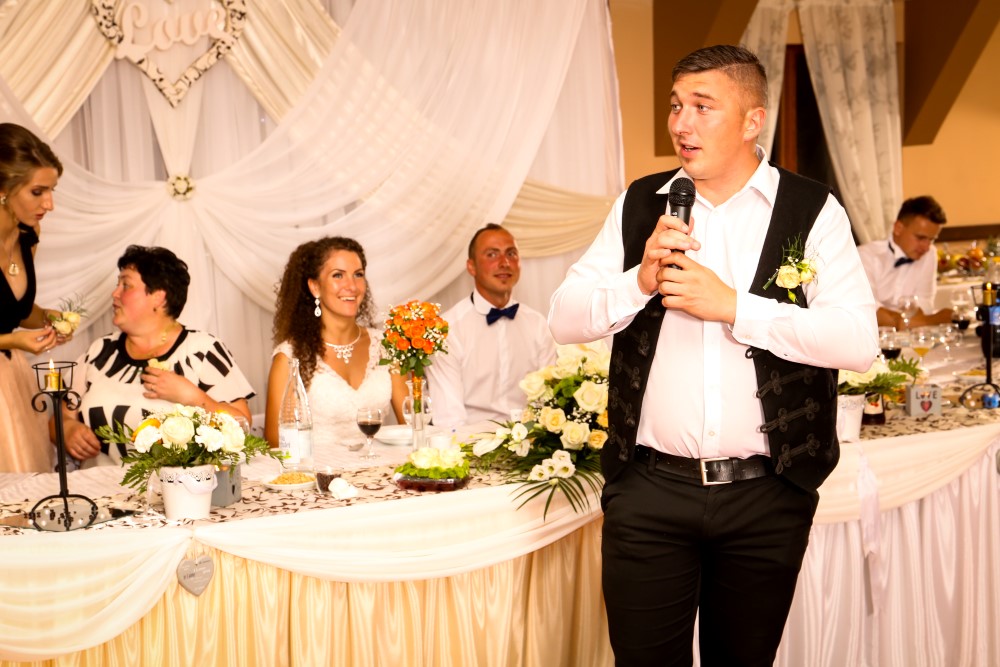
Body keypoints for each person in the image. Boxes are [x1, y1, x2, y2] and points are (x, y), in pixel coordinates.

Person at [548, 45, 878, 665]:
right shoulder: (640, 202)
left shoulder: (812, 209)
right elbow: (563, 317)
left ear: (753, 120)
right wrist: (638, 282)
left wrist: (735, 307)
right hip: (649, 491)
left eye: (703, 107)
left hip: (767, 494)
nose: (681, 124)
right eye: (676, 106)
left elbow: (858, 340)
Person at [62, 245, 255, 467]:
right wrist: (67, 429)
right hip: (97, 486)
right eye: (117, 285)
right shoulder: (99, 351)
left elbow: (242, 426)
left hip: (179, 487)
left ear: (159, 297)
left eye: (126, 285)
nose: (114, 294)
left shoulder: (203, 350)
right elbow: (61, 417)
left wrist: (193, 397)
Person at [265, 236, 407, 450]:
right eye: (338, 275)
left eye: (358, 274)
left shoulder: (387, 347)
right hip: (318, 470)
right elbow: (276, 444)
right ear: (315, 287)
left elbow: (413, 425)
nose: (352, 286)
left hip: (383, 468)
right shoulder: (289, 358)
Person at [426, 223, 556, 427]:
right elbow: (449, 419)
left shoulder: (537, 324)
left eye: (511, 254)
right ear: (471, 266)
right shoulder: (447, 329)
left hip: (531, 439)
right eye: (492, 254)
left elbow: (549, 401)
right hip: (469, 441)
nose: (505, 262)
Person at [0, 123, 70, 473]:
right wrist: (13, 341)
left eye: (51, 190)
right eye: (38, 192)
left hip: (12, 381)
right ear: (3, 190)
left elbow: (14, 311)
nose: (49, 204)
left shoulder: (28, 234)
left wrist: (46, 318)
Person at [857, 195, 952, 328]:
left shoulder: (930, 254)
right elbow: (868, 310)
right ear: (898, 228)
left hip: (912, 333)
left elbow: (925, 302)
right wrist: (927, 320)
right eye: (920, 238)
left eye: (931, 239)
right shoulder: (866, 256)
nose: (926, 247)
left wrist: (904, 321)